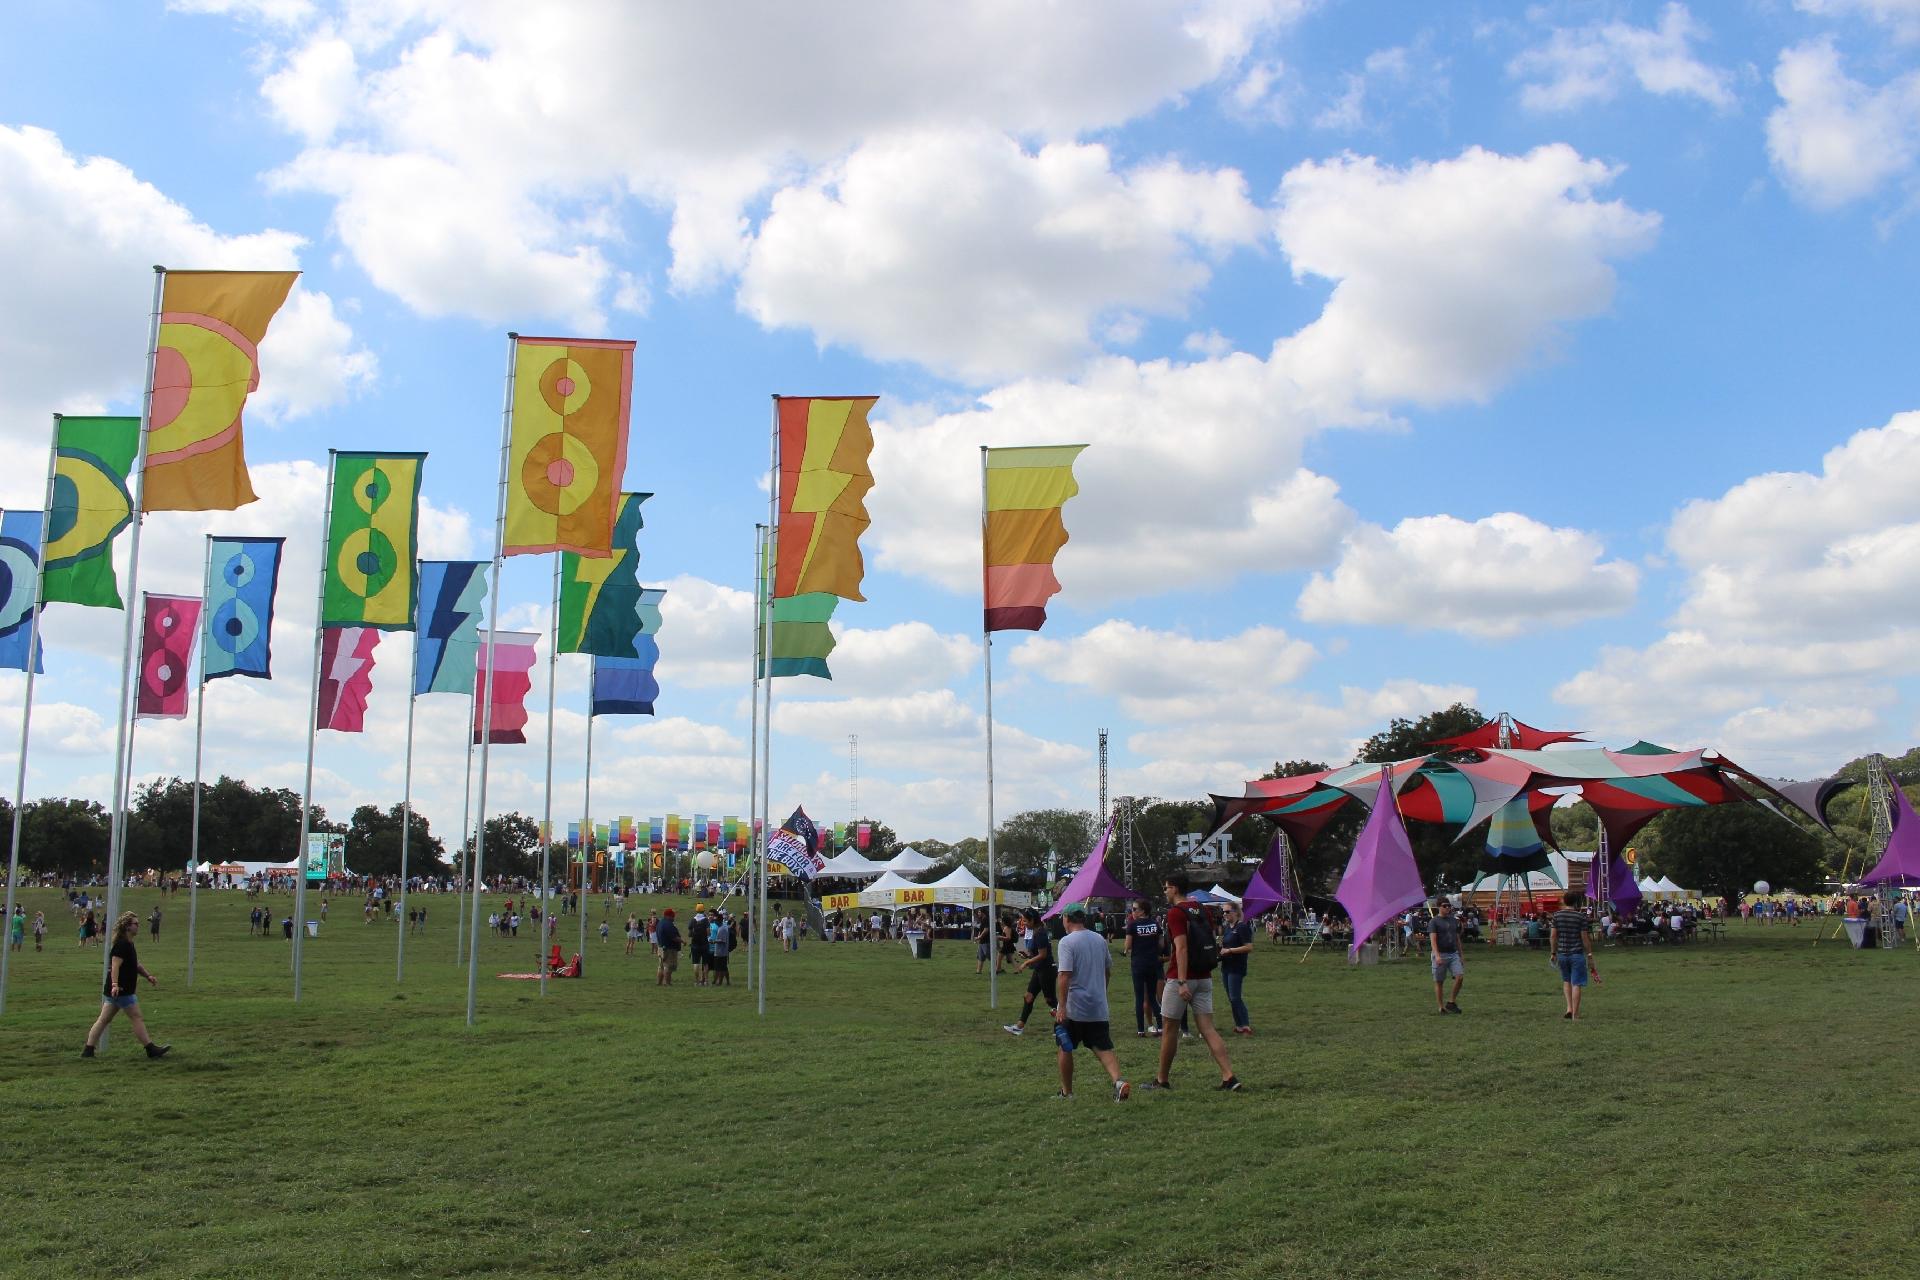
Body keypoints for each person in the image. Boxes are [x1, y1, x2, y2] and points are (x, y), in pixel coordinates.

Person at [1145, 873, 1240, 1092]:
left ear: (1175, 889)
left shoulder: (1176, 913)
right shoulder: (1203, 909)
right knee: (1207, 1028)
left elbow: (1182, 947)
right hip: (1204, 976)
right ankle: (1229, 1076)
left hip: (1182, 978)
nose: (1165, 892)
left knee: (1169, 1028)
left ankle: (1162, 1080)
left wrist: (1181, 981)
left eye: (1167, 887)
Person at [1051, 906, 1130, 1101]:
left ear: (1067, 919)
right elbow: (1107, 971)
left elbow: (1064, 975)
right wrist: (1101, 992)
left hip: (1075, 1007)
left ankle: (1066, 1092)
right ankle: (1118, 1082)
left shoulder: (1067, 942)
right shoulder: (1099, 940)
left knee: (1064, 1045)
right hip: (1098, 1005)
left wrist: (1062, 1007)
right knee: (1103, 1047)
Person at [83, 911, 169, 1059]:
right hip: (122, 990)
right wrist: (115, 985)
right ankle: (150, 1049)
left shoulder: (128, 944)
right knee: (136, 1017)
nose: (138, 926)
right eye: (135, 924)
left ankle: (88, 1050)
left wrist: (148, 976)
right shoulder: (122, 945)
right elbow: (115, 966)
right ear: (127, 927)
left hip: (116, 991)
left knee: (103, 1020)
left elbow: (135, 965)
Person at [1001, 908, 1058, 1037]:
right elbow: (1038, 953)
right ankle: (1019, 1027)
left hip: (1047, 970)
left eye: (1025, 921)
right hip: (1039, 969)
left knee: (1050, 1000)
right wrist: (1027, 955)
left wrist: (1027, 963)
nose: (1023, 923)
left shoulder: (1040, 933)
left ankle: (1065, 1025)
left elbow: (1043, 955)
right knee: (1028, 996)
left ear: (1033, 920)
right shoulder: (1036, 931)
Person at [1550, 890, 1599, 1020]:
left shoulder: (1557, 916)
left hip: (1562, 954)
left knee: (1566, 981)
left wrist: (1553, 952)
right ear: (1576, 902)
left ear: (1564, 901)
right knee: (1576, 983)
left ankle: (1569, 1008)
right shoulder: (1581, 917)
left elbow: (1553, 936)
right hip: (1576, 954)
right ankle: (1575, 1015)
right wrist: (1589, 954)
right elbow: (1585, 938)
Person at [1122, 899, 1164, 1038]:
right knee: (1152, 997)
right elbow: (1161, 944)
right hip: (1152, 963)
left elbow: (1127, 946)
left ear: (1142, 911)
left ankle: (1141, 1029)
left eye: (1134, 909)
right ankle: (1160, 1026)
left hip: (1138, 964)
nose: (1132, 912)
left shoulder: (1132, 925)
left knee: (1139, 997)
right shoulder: (1155, 924)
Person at [1217, 903, 1255, 1035]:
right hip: (1226, 967)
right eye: (1223, 912)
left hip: (1237, 967)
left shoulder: (1242, 927)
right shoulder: (1227, 928)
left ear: (1236, 912)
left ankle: (1245, 1025)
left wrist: (1230, 950)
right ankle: (1238, 1025)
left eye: (1227, 912)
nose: (1225, 914)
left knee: (1235, 997)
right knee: (1231, 997)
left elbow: (1249, 947)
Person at [1429, 897, 1465, 1015]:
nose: (1448, 908)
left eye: (1449, 906)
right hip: (1441, 954)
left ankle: (1451, 1002)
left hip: (1453, 953)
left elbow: (1457, 938)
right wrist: (1437, 956)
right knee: (1439, 982)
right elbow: (1433, 941)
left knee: (1459, 977)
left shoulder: (1453, 920)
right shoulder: (1434, 922)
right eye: (1445, 906)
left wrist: (1461, 955)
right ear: (1439, 907)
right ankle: (1441, 1007)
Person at [655, 908, 681, 986]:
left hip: (661, 947)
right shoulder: (668, 924)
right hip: (669, 949)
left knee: (661, 966)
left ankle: (659, 982)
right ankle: (667, 983)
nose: (673, 918)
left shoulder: (660, 923)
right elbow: (674, 937)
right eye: (672, 916)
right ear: (668, 916)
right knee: (668, 966)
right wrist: (682, 941)